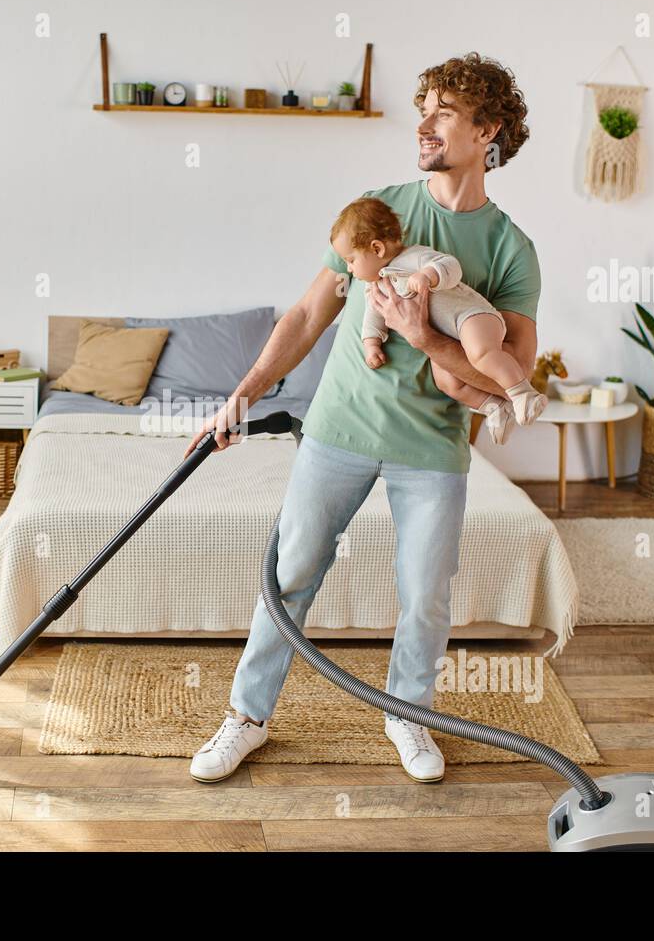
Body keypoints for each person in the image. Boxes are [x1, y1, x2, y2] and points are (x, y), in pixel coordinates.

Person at [185, 53, 542, 784]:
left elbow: (513, 377)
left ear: (488, 132)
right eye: (425, 108)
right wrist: (245, 393)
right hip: (339, 429)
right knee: (290, 574)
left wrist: (425, 338)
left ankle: (408, 713)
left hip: (434, 446)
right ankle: (246, 717)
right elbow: (310, 312)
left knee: (426, 593)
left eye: (444, 112)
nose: (424, 124)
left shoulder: (511, 249)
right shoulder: (378, 210)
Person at [329, 195, 547, 444]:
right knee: (448, 383)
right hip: (447, 336)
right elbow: (374, 316)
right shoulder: (376, 287)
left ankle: (522, 393)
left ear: (377, 249)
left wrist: (428, 276)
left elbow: (450, 266)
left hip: (472, 317)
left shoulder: (414, 257)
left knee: (481, 354)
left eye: (351, 260)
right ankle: (494, 407)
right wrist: (371, 344)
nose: (349, 269)